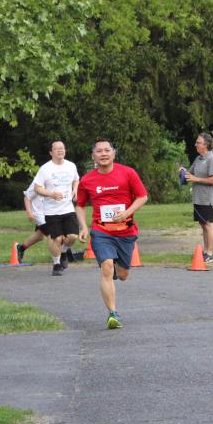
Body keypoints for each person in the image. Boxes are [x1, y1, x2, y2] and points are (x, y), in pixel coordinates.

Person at [76, 137, 148, 329]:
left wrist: (127, 212)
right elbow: (80, 205)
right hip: (101, 231)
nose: (103, 154)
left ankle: (117, 267)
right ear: (93, 156)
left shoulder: (128, 173)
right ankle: (113, 313)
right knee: (106, 267)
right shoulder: (87, 180)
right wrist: (83, 227)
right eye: (99, 151)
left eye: (107, 150)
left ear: (113, 154)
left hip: (126, 231)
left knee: (122, 274)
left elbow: (142, 197)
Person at [33, 140, 81, 276]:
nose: (60, 150)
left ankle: (64, 251)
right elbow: (37, 188)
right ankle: (56, 264)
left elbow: (76, 179)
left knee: (73, 236)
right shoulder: (45, 169)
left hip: (68, 208)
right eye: (57, 148)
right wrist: (51, 194)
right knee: (57, 238)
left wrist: (75, 189)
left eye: (62, 148)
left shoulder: (71, 166)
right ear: (51, 152)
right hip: (51, 211)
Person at [183, 132, 213, 263]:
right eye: (196, 142)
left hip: (206, 199)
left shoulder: (212, 159)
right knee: (203, 224)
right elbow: (190, 174)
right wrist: (183, 172)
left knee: (209, 224)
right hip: (197, 198)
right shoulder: (198, 159)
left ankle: (210, 254)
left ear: (206, 145)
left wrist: (196, 179)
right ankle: (205, 252)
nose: (196, 144)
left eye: (198, 142)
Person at [16, 180, 48, 263]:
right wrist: (29, 213)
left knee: (40, 236)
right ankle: (63, 255)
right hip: (38, 214)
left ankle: (21, 248)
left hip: (48, 213)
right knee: (54, 234)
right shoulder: (38, 182)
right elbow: (27, 197)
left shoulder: (54, 181)